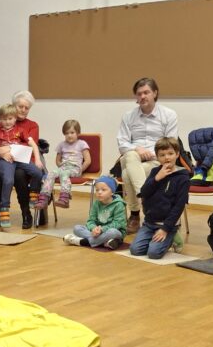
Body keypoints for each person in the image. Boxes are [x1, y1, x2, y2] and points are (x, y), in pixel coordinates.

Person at [117, 78, 179, 235]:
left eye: (146, 92)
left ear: (155, 93)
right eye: (139, 94)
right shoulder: (128, 116)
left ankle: (135, 214)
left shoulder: (169, 115)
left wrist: (151, 153)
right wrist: (137, 149)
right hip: (133, 157)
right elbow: (122, 144)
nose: (143, 96)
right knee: (130, 155)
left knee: (127, 174)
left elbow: (171, 144)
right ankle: (146, 199)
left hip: (157, 159)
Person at [129, 137, 191, 259]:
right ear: (157, 157)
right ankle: (154, 238)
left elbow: (178, 207)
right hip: (149, 223)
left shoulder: (183, 178)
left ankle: (173, 237)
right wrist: (157, 178)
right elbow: (144, 192)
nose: (167, 158)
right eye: (162, 155)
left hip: (167, 225)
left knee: (154, 253)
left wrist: (165, 229)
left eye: (170, 154)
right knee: (135, 250)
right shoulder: (154, 172)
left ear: (177, 154)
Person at [0, 103, 43, 229]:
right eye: (4, 119)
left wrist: (37, 159)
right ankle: (4, 209)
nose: (7, 122)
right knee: (8, 180)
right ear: (0, 119)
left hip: (20, 158)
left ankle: (33, 194)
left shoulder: (21, 130)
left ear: (15, 119)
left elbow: (33, 144)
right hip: (6, 161)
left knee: (38, 172)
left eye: (10, 119)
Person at [64, 175, 125, 249]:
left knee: (113, 232)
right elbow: (91, 221)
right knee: (77, 228)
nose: (99, 192)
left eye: (103, 190)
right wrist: (93, 228)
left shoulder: (119, 204)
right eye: (97, 190)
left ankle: (83, 242)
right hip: (97, 232)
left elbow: (118, 223)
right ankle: (104, 242)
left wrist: (102, 229)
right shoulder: (96, 203)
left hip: (113, 232)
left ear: (112, 192)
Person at [46, 119, 91, 209]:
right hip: (64, 167)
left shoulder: (82, 144)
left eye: (72, 132)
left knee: (64, 173)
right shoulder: (61, 145)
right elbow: (58, 160)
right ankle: (45, 196)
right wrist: (60, 168)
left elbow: (88, 160)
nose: (69, 135)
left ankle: (64, 198)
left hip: (75, 168)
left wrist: (80, 170)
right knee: (51, 173)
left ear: (78, 133)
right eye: (67, 133)